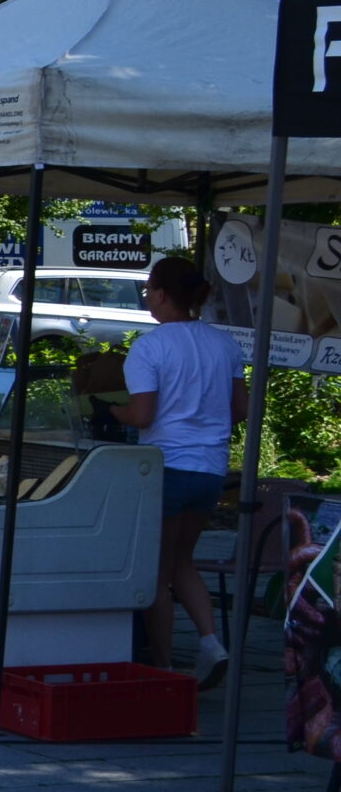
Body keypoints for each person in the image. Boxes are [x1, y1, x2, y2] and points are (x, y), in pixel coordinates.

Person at [118, 255, 243, 687]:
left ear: (163, 293)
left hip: (166, 466)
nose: (147, 297)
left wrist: (108, 408)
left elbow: (142, 414)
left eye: (149, 289)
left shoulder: (149, 347)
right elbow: (241, 408)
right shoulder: (223, 343)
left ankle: (165, 667)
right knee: (182, 562)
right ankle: (211, 642)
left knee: (156, 572)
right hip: (210, 469)